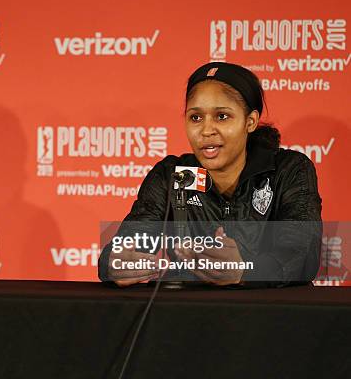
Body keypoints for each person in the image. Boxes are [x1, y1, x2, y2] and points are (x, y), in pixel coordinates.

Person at [98, 62, 322, 287]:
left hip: (269, 316)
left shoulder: (288, 170)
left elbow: (302, 256)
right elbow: (127, 247)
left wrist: (244, 271)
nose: (206, 130)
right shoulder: (172, 175)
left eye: (222, 116)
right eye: (195, 118)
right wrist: (115, 265)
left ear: (250, 121)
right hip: (188, 316)